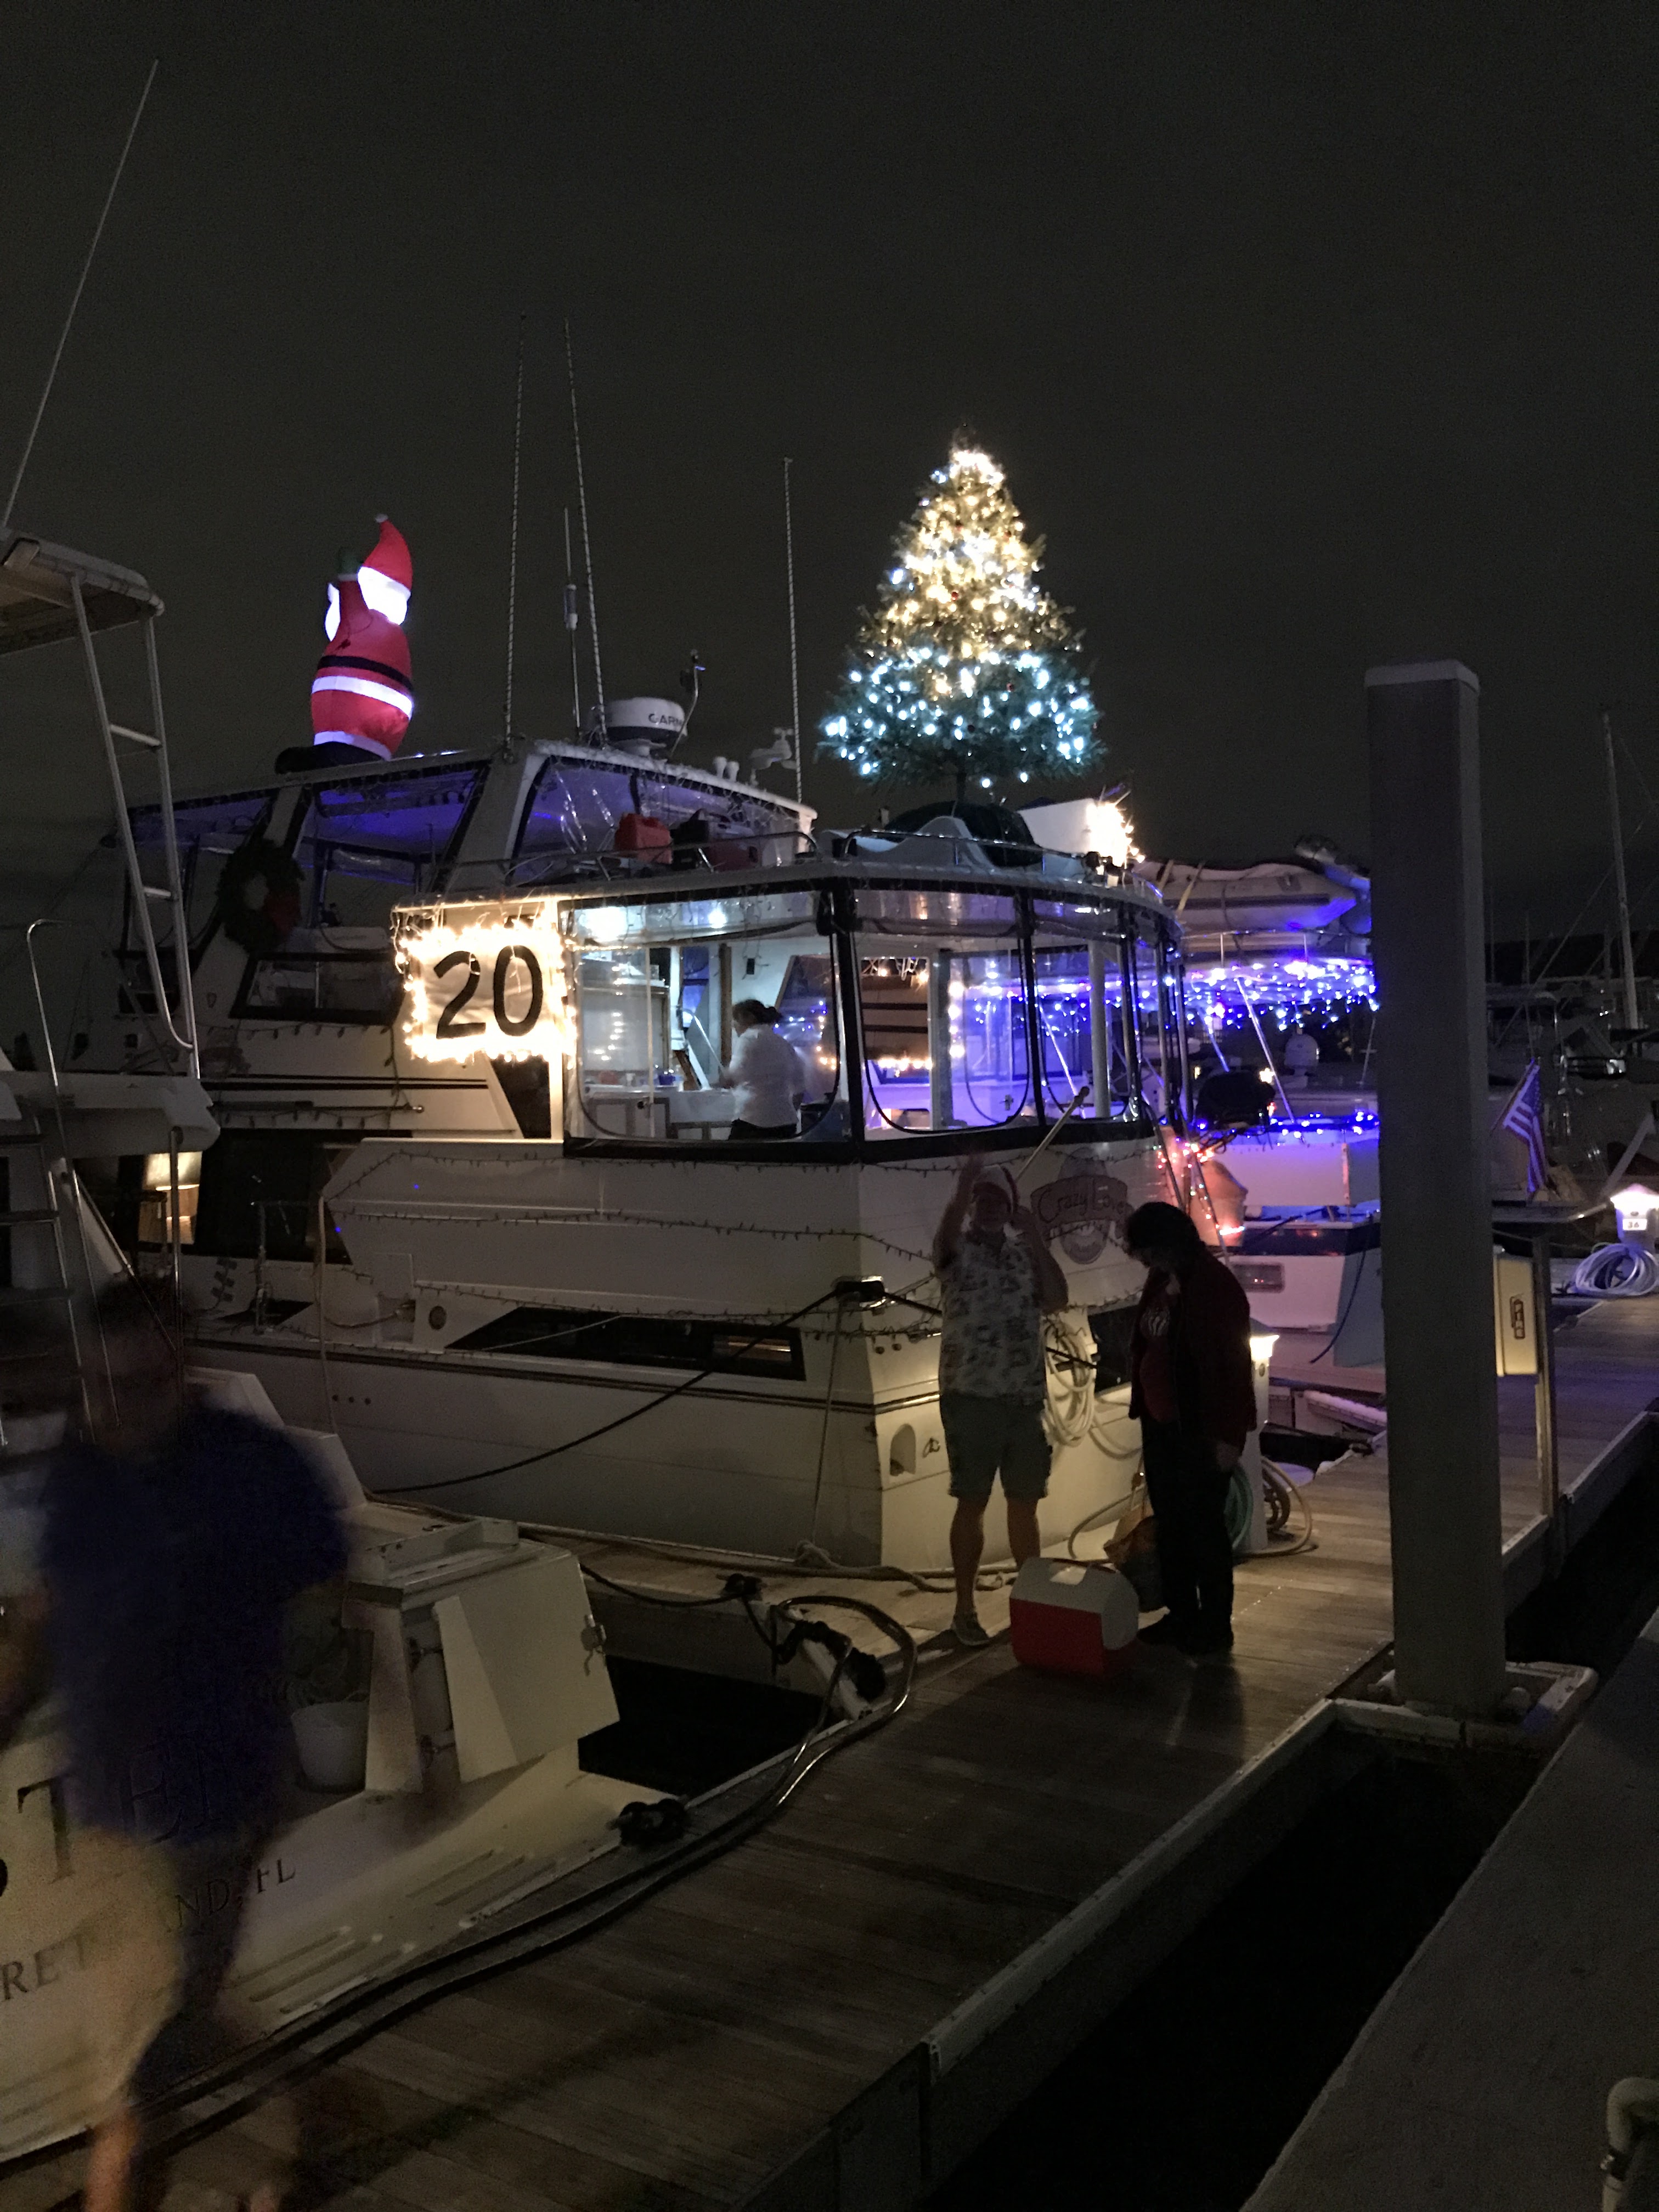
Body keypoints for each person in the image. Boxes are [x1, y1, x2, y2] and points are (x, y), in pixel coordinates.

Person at [22, 1278, 348, 2210]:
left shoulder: (257, 1467)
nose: (114, 1408)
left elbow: (330, 1606)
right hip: (104, 1803)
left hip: (213, 1799)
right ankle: (325, 2104)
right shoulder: (81, 1473)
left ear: (183, 1370)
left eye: (138, 1386)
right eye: (99, 1385)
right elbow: (45, 1619)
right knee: (179, 2007)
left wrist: (329, 1753)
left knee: (140, 2080)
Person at [933, 1158, 1069, 1646]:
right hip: (971, 1395)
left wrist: (1035, 1238)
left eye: (999, 1201)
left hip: (1024, 1397)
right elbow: (945, 1239)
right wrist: (964, 1185)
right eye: (982, 1200)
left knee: (1024, 1503)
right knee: (971, 1501)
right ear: (971, 1207)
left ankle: (1032, 1601)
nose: (990, 1208)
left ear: (1012, 1208)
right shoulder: (957, 1251)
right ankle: (964, 1608)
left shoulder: (1022, 1254)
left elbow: (1056, 1298)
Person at [1124, 1201, 1256, 1660]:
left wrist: (1229, 1435)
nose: (1142, 1260)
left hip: (1199, 1425)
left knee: (1204, 1529)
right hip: (1162, 1423)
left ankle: (1215, 1624)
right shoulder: (1163, 1279)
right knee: (1172, 1526)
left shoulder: (1215, 1287)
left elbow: (1233, 1366)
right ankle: (1181, 1614)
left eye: (1145, 1250)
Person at [721, 999, 808, 1138]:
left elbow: (733, 1076)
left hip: (752, 1119)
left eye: (735, 1020)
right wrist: (787, 1110)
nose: (733, 1025)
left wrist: (724, 1078)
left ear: (748, 1018)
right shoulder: (783, 1043)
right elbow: (800, 1086)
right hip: (786, 1122)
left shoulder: (748, 1039)